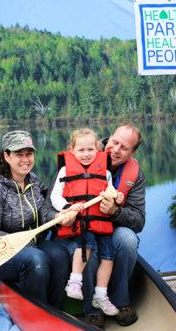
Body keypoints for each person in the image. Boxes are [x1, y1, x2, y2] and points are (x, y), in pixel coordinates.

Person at [43, 124, 146, 328]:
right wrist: (61, 214)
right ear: (105, 142)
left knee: (127, 239)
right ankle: (93, 310)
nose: (116, 149)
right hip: (77, 229)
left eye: (124, 148)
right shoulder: (77, 159)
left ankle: (120, 302)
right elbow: (47, 206)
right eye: (114, 143)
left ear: (132, 152)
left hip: (108, 227)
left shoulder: (135, 175)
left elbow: (138, 221)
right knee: (88, 247)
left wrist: (115, 212)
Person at [0, 130, 70, 308]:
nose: (25, 159)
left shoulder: (33, 180)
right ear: (6, 156)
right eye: (18, 154)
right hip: (0, 255)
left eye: (29, 154)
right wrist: (29, 244)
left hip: (34, 244)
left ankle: (56, 313)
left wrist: (60, 215)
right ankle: (36, 316)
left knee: (60, 254)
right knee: (36, 260)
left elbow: (47, 208)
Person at [50, 128, 124, 316]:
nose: (86, 154)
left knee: (109, 255)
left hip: (101, 222)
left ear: (98, 149)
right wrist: (67, 207)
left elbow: (109, 191)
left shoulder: (104, 171)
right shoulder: (65, 170)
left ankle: (101, 294)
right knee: (87, 245)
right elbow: (55, 196)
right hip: (81, 222)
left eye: (90, 150)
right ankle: (74, 282)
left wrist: (117, 197)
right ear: (72, 150)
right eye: (81, 150)